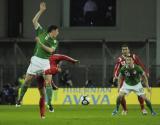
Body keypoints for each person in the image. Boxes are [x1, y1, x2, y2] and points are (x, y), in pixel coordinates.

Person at [16, 2, 59, 119]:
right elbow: (34, 21)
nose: (58, 33)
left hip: (45, 62)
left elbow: (50, 51)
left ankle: (49, 104)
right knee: (27, 81)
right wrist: (41, 11)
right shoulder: (41, 32)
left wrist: (40, 43)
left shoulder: (55, 42)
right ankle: (19, 99)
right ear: (53, 31)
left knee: (48, 82)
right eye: (57, 31)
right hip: (36, 60)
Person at [113, 44, 149, 115]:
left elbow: (140, 65)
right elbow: (116, 68)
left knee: (140, 95)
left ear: (128, 50)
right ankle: (125, 110)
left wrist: (145, 72)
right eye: (123, 50)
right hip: (125, 80)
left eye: (126, 49)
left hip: (136, 79)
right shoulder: (120, 59)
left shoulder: (134, 57)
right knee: (121, 95)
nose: (124, 51)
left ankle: (143, 109)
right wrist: (115, 75)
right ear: (122, 51)